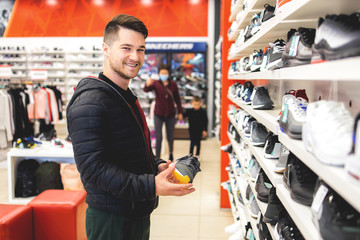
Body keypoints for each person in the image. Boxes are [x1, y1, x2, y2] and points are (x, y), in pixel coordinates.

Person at [66, 14, 195, 240]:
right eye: (126, 48)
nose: (135, 57)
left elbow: (130, 148)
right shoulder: (90, 103)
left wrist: (157, 165)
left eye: (141, 49)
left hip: (135, 212)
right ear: (106, 49)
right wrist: (151, 186)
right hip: (111, 218)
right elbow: (94, 170)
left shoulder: (123, 96)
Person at [143, 63, 183, 161]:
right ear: (159, 73)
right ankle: (157, 158)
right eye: (162, 73)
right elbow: (146, 90)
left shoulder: (173, 84)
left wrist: (180, 112)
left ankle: (171, 154)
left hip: (171, 114)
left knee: (170, 136)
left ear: (168, 73)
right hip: (158, 114)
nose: (164, 74)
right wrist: (147, 84)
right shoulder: (156, 83)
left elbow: (177, 99)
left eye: (165, 73)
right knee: (158, 137)